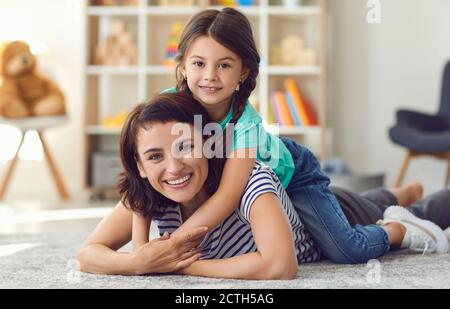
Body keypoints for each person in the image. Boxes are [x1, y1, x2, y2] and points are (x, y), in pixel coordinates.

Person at [132, 7, 449, 264]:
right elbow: (139, 179)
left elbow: (228, 198)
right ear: (184, 65)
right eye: (199, 63)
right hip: (264, 196)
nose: (210, 76)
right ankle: (398, 193)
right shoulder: (169, 105)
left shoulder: (247, 125)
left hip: (292, 176)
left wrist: (171, 245)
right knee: (342, 212)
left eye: (224, 65)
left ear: (243, 72)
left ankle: (398, 227)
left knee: (346, 248)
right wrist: (141, 251)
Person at [76, 93, 449, 279]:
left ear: (208, 142)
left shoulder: (247, 178)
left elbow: (279, 265)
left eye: (185, 146)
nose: (174, 167)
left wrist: (180, 267)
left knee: (412, 212)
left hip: (327, 220)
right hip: (331, 202)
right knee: (375, 199)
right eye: (155, 157)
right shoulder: (150, 191)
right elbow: (88, 253)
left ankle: (409, 205)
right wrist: (137, 261)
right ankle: (403, 189)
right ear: (139, 167)